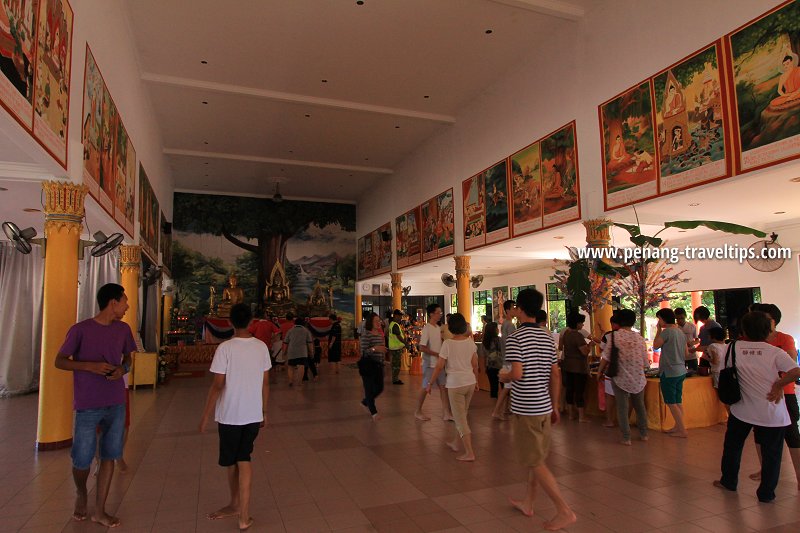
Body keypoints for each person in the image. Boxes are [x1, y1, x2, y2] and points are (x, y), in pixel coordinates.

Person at [55, 283, 136, 528]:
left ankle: (100, 509)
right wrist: (89, 366)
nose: (127, 306)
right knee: (82, 458)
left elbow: (128, 358)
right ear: (113, 302)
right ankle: (81, 492)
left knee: (110, 454)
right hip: (88, 403)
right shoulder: (80, 330)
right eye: (124, 301)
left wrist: (123, 368)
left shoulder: (123, 329)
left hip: (115, 400)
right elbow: (59, 361)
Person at [500, 289, 576, 531]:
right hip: (543, 406)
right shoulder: (546, 337)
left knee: (534, 461)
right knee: (538, 457)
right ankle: (528, 502)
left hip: (526, 408)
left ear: (519, 309)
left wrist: (503, 375)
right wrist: (555, 405)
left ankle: (564, 510)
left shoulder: (515, 339)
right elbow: (555, 373)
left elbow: (517, 374)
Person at [714, 311, 800, 503]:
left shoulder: (733, 348)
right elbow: (796, 371)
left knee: (733, 447)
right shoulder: (774, 352)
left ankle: (729, 481)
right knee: (772, 454)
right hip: (771, 411)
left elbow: (724, 372)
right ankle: (766, 493)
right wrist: (778, 385)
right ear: (768, 331)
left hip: (741, 410)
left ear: (744, 329)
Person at [199, 304, 270, 531]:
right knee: (244, 458)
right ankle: (242, 513)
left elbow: (217, 385)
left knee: (233, 460)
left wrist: (205, 416)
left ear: (230, 322)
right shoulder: (261, 347)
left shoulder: (225, 348)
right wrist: (264, 411)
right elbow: (265, 383)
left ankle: (236, 505)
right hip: (252, 413)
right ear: (252, 322)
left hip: (229, 415)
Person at [748, 304, 800, 489]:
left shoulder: (784, 339)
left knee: (792, 435)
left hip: (784, 394)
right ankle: (765, 471)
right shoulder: (750, 342)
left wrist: (779, 384)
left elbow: (792, 366)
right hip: (759, 395)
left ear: (772, 321)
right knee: (760, 434)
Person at [428, 313, 479, 461]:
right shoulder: (470, 342)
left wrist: (430, 383)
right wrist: (477, 381)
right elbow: (475, 364)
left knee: (461, 419)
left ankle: (469, 452)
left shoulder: (448, 344)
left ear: (450, 328)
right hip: (469, 382)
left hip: (455, 385)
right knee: (461, 415)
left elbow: (439, 367)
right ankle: (456, 443)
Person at [598, 309, 649, 446]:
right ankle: (644, 434)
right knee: (640, 406)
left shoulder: (615, 337)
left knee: (622, 407)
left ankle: (626, 437)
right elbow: (645, 361)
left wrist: (599, 371)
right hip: (638, 378)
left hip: (620, 377)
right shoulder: (639, 338)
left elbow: (606, 357)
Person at [653, 308, 688, 438]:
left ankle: (682, 430)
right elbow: (686, 353)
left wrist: (657, 331)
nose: (659, 321)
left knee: (671, 402)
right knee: (677, 401)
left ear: (663, 319)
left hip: (669, 371)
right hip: (681, 370)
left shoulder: (667, 332)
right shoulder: (680, 332)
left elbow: (656, 345)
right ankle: (678, 426)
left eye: (659, 319)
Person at [558, 312, 594, 422]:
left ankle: (570, 414)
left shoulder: (566, 334)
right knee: (579, 391)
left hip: (567, 365)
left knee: (570, 389)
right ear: (577, 323)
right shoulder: (577, 336)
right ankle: (582, 416)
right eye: (581, 323)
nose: (582, 325)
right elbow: (584, 352)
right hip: (578, 367)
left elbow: (560, 347)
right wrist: (590, 345)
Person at [492, 299, 518, 420]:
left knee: (508, 387)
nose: (516, 310)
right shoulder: (510, 325)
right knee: (507, 387)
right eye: (513, 308)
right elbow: (513, 343)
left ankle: (506, 409)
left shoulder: (502, 324)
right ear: (508, 310)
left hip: (505, 358)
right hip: (509, 360)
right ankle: (497, 411)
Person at [359, 312, 387, 421]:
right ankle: (374, 412)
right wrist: (375, 349)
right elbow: (364, 352)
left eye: (379, 320)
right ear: (370, 322)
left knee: (380, 388)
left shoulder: (380, 334)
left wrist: (383, 358)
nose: (379, 323)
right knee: (369, 389)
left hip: (378, 365)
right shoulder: (366, 334)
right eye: (376, 321)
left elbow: (381, 348)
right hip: (368, 365)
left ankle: (366, 402)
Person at [598, 313, 621, 428]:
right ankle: (623, 420)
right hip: (626, 371)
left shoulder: (608, 336)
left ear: (612, 323)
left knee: (610, 396)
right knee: (625, 397)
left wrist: (599, 371)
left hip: (611, 370)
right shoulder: (633, 336)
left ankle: (609, 420)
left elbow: (602, 351)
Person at [282, 317, 313, 389]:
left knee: (290, 367)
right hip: (302, 352)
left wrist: (284, 351)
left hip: (292, 351)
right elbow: (309, 343)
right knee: (301, 366)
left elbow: (286, 342)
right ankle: (299, 382)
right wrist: (311, 352)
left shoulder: (290, 331)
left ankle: (290, 381)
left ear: (295, 323)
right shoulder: (306, 331)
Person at [478, 321, 502, 399]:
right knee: (505, 387)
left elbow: (482, 357)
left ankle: (495, 406)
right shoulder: (500, 340)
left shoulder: (484, 343)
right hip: (502, 367)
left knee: (493, 388)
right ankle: (504, 407)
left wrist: (483, 369)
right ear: (494, 330)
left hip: (491, 368)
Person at [387, 309, 407, 385]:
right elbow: (398, 336)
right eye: (399, 316)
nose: (401, 318)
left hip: (394, 347)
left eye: (401, 316)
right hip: (396, 348)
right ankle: (395, 379)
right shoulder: (395, 325)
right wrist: (405, 343)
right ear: (395, 316)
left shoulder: (392, 324)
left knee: (395, 363)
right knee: (396, 364)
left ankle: (395, 378)